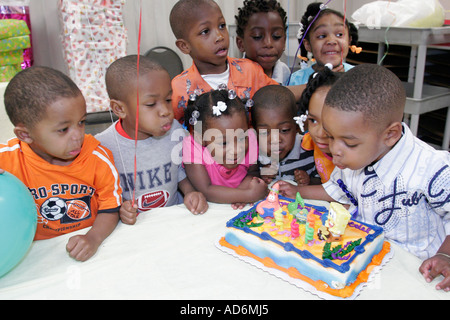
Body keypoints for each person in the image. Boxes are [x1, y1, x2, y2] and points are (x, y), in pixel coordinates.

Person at [279, 64, 450, 292]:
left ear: (390, 134)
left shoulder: (432, 168)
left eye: (348, 143)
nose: (335, 150)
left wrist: (445, 254)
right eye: (331, 137)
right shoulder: (352, 159)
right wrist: (297, 191)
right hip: (370, 260)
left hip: (419, 272)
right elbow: (337, 189)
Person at [0, 66, 122, 262]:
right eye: (63, 129)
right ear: (25, 135)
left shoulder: (97, 157)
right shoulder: (8, 158)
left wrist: (93, 238)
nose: (78, 136)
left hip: (88, 248)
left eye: (81, 122)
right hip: (34, 257)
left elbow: (111, 208)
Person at [96, 55, 208, 225]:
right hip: (136, 230)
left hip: (175, 221)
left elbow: (177, 171)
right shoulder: (103, 148)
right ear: (119, 109)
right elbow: (103, 197)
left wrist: (190, 192)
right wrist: (120, 210)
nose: (165, 111)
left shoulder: (175, 131)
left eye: (168, 100)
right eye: (150, 104)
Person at [169, 0, 304, 123]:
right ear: (184, 46)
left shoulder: (250, 70)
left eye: (221, 26)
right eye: (205, 31)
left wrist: (314, 85)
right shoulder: (178, 90)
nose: (219, 36)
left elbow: (280, 94)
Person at [182, 87, 267, 209]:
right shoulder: (193, 146)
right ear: (201, 138)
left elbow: (253, 172)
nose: (237, 150)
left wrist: (241, 193)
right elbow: (206, 190)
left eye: (242, 138)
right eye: (224, 143)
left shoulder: (251, 137)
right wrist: (248, 195)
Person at [251, 84, 316, 185]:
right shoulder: (253, 155)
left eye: (284, 130)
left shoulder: (309, 149)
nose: (275, 140)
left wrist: (309, 181)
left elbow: (325, 183)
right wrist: (260, 177)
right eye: (264, 132)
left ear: (297, 127)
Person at [288, 2, 359, 85]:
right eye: (322, 36)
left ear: (349, 41)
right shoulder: (296, 80)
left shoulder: (359, 76)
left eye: (339, 34)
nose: (331, 41)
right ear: (307, 44)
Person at [294, 63, 341, 184]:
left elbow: (341, 192)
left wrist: (298, 190)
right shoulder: (310, 140)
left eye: (331, 122)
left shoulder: (357, 159)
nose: (320, 133)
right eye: (313, 120)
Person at [235, 0, 291, 85]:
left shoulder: (285, 72)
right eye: (257, 36)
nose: (268, 43)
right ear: (240, 44)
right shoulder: (234, 75)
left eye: (277, 36)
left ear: (284, 41)